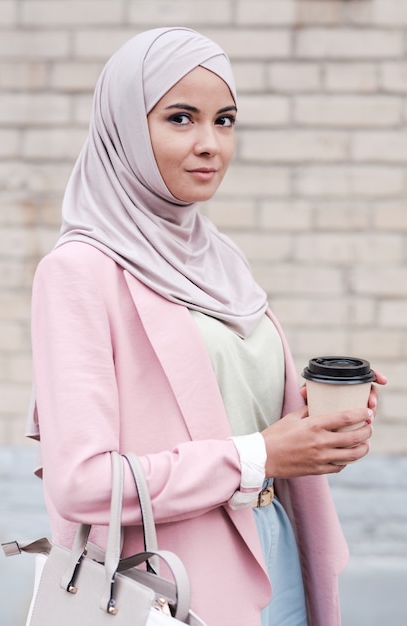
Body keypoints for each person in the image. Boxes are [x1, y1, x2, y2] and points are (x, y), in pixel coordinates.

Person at [27, 27, 386, 626]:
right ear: (123, 128)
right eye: (180, 118)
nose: (209, 144)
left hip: (278, 550)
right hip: (173, 584)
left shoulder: (219, 258)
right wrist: (259, 456)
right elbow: (82, 484)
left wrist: (315, 424)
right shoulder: (78, 272)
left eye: (224, 120)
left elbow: (219, 411)